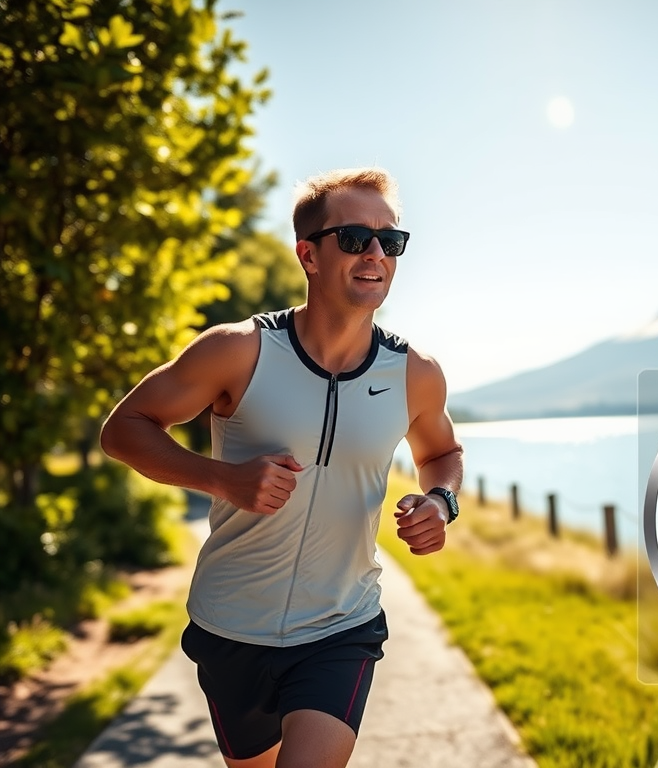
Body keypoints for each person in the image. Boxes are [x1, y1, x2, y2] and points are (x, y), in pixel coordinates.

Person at [100, 167, 464, 768]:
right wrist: (222, 479)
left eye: (390, 241)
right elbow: (124, 429)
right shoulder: (238, 349)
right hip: (230, 628)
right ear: (308, 255)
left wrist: (440, 502)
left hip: (342, 625)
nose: (376, 253)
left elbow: (442, 455)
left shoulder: (414, 373)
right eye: (354, 238)